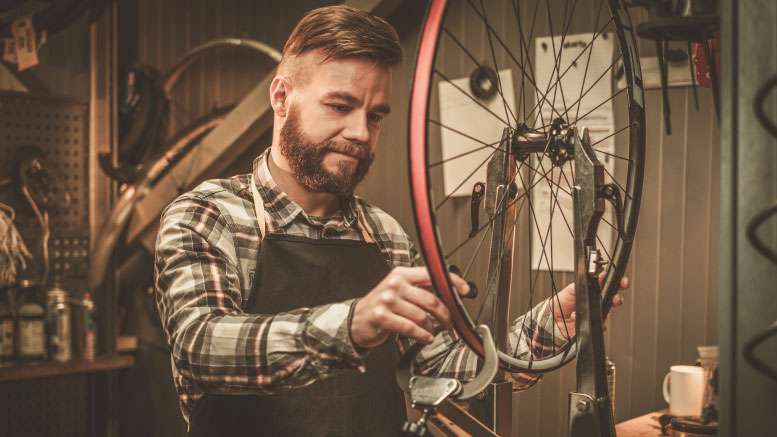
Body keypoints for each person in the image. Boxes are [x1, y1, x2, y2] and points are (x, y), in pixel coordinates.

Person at [154, 5, 629, 436]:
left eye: (375, 115)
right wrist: (352, 324)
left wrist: (548, 328)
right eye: (340, 106)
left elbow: (440, 364)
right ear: (281, 97)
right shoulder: (208, 214)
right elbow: (201, 349)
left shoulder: (384, 236)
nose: (360, 133)